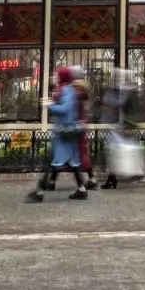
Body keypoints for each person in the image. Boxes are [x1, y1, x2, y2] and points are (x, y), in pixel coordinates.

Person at [26, 67, 89, 202]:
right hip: (69, 132)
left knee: (52, 162)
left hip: (63, 133)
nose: (54, 77)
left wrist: (49, 105)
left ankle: (39, 192)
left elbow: (65, 109)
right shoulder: (68, 90)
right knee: (73, 163)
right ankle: (82, 190)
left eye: (56, 75)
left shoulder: (65, 90)